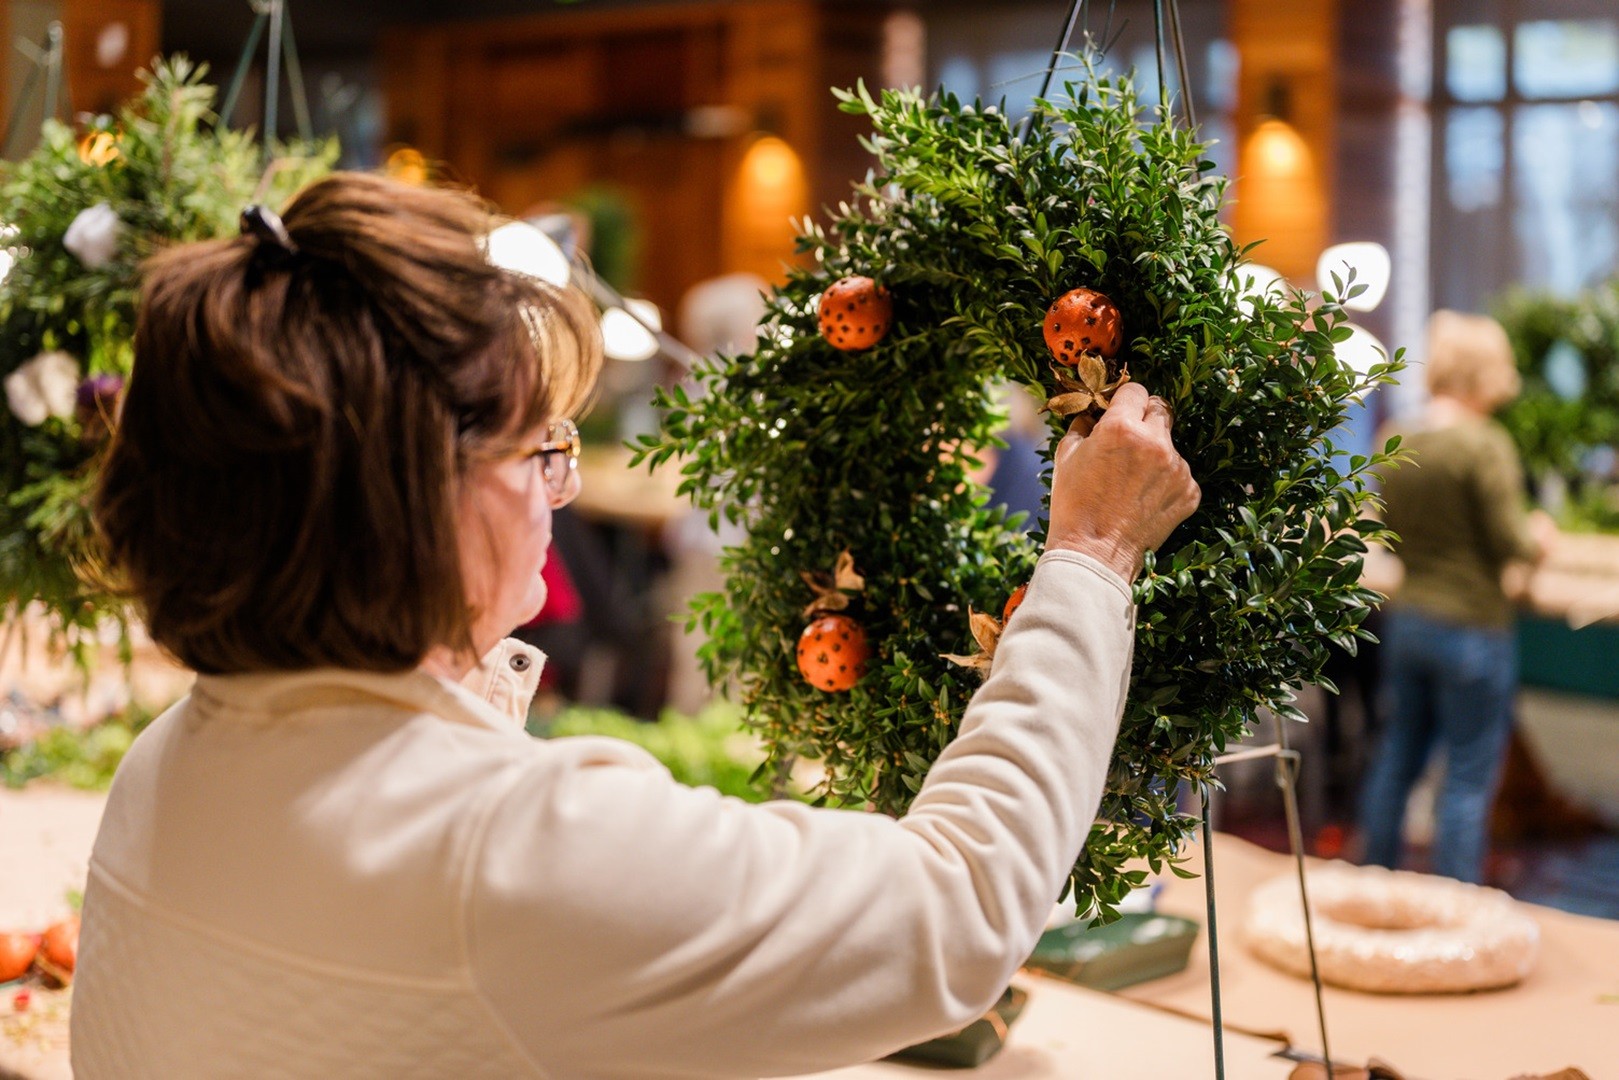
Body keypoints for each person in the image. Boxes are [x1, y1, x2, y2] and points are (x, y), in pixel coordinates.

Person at [70, 173, 1200, 1078]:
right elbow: (954, 911)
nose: (554, 491)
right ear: (420, 496)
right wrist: (1091, 556)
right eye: (535, 450)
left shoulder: (172, 760)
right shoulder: (510, 850)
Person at [1358, 309, 1558, 885]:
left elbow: (1385, 528)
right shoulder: (1484, 444)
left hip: (1409, 621)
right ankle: (1455, 904)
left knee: (1397, 759)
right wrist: (1539, 536)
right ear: (1484, 371)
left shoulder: (1401, 437)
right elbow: (1509, 541)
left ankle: (1375, 885)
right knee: (1468, 778)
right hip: (1471, 627)